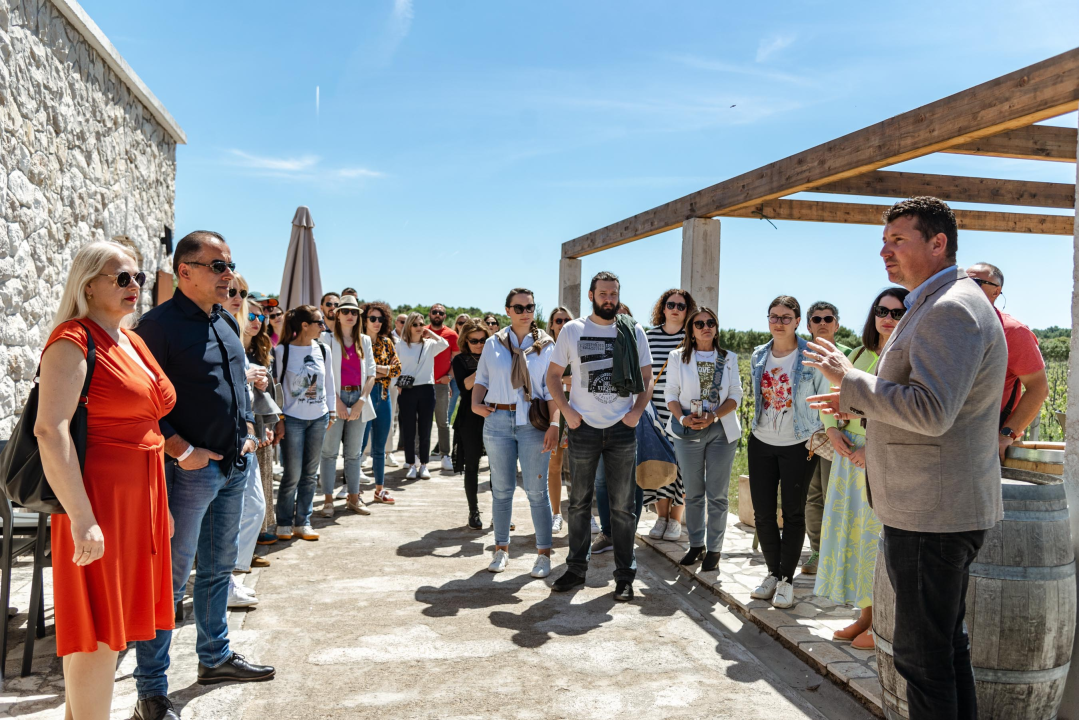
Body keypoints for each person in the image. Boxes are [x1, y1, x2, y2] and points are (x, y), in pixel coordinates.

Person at [805, 197, 1006, 719]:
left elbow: (932, 410)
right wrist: (855, 397)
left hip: (932, 515)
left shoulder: (950, 309)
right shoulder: (937, 301)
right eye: (884, 239)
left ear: (938, 244)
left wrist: (849, 381)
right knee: (943, 649)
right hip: (932, 509)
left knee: (922, 660)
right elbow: (925, 400)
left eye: (898, 239)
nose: (884, 251)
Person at [132, 231, 274, 720]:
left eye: (229, 265)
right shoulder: (156, 327)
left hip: (234, 464)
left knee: (218, 570)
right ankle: (151, 690)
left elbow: (236, 388)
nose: (227, 275)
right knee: (168, 583)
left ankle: (214, 658)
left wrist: (250, 431)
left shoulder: (224, 322)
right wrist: (181, 449)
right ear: (185, 271)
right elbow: (140, 404)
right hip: (188, 472)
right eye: (217, 266)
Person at [33, 242, 174, 719]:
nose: (135, 286)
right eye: (122, 278)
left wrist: (163, 509)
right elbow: (50, 431)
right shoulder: (72, 339)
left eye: (137, 278)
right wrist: (82, 518)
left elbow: (150, 425)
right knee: (94, 628)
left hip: (141, 496)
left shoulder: (130, 340)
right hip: (97, 501)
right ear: (88, 284)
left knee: (112, 628)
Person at [547, 271, 653, 602]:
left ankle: (624, 576)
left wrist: (636, 411)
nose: (609, 298)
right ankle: (577, 569)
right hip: (583, 429)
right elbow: (552, 376)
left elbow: (648, 377)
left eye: (614, 293)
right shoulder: (573, 330)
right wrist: (566, 411)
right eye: (603, 293)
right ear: (592, 295)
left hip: (622, 428)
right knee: (578, 504)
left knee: (623, 508)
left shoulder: (632, 330)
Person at [814, 288, 907, 650]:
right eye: (882, 310)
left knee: (876, 542)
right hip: (847, 460)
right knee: (855, 538)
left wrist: (871, 447)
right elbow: (830, 399)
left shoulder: (904, 358)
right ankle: (866, 617)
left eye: (897, 313)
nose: (888, 318)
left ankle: (885, 623)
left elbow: (899, 411)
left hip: (879, 459)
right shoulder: (856, 354)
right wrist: (833, 430)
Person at [746, 295, 829, 609]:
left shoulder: (811, 355)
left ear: (797, 321)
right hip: (761, 442)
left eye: (785, 317)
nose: (778, 322)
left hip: (799, 444)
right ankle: (771, 573)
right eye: (773, 316)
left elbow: (824, 397)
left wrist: (821, 432)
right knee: (764, 514)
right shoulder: (758, 355)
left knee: (793, 513)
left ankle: (786, 581)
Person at [472, 289, 559, 577]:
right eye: (519, 307)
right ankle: (501, 550)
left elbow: (552, 390)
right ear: (507, 310)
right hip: (497, 420)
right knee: (501, 490)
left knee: (536, 491)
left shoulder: (546, 345)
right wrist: (475, 402)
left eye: (530, 306)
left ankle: (544, 555)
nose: (525, 311)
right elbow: (482, 378)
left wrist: (555, 424)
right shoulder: (492, 344)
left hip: (532, 424)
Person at [664, 307, 742, 572]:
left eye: (711, 322)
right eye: (699, 324)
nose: (706, 327)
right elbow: (671, 394)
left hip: (721, 430)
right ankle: (697, 544)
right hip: (688, 429)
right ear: (691, 330)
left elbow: (735, 396)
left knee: (717, 494)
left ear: (716, 327)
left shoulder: (728, 358)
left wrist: (714, 417)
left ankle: (715, 549)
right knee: (694, 492)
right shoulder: (677, 357)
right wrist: (683, 418)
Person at [966, 262, 1049, 459]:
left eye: (974, 282)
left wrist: (1006, 435)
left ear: (996, 292)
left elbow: (1039, 388)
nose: (965, 288)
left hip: (988, 449)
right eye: (961, 282)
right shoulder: (949, 329)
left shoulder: (1013, 332)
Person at [273, 305, 335, 542]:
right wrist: (279, 419)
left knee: (310, 473)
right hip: (293, 419)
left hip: (319, 417)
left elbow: (330, 381)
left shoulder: (324, 349)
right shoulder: (282, 352)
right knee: (292, 474)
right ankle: (284, 522)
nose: (323, 327)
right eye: (319, 322)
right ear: (304, 326)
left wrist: (331, 411)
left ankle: (303, 522)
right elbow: (276, 389)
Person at [226, 276, 267, 609]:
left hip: (242, 436)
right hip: (216, 441)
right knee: (238, 512)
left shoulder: (233, 335)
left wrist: (253, 431)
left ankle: (230, 578)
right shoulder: (214, 331)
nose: (238, 298)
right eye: (232, 292)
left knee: (252, 508)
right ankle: (224, 582)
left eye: (241, 292)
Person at [801, 300, 851, 575]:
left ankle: (837, 554)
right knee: (813, 495)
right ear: (808, 325)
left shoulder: (849, 355)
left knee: (835, 495)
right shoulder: (799, 354)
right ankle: (817, 552)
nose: (822, 323)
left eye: (828, 318)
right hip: (804, 436)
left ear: (837, 324)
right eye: (816, 319)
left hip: (838, 435)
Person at [644, 288, 697, 542]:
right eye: (671, 304)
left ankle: (675, 520)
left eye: (681, 305)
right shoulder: (648, 336)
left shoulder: (692, 338)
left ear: (688, 310)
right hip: (655, 411)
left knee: (682, 468)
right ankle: (661, 517)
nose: (676, 309)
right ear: (662, 308)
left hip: (682, 411)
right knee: (659, 465)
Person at [319, 295, 376, 517]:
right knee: (329, 453)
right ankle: (328, 501)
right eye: (345, 311)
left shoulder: (365, 340)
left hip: (359, 398)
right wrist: (336, 401)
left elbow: (371, 373)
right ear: (337, 314)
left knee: (354, 454)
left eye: (353, 312)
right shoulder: (326, 340)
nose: (350, 315)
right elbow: (323, 375)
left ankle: (354, 498)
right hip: (335, 398)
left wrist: (362, 401)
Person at [245, 292, 284, 547]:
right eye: (251, 315)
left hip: (263, 426)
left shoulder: (262, 348)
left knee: (263, 479)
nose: (257, 320)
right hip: (241, 426)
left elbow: (271, 391)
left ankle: (257, 536)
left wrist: (275, 423)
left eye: (260, 316)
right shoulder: (230, 346)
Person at [396, 312, 449, 479]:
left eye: (421, 324)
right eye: (415, 325)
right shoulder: (400, 345)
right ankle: (411, 464)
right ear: (409, 326)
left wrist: (431, 333)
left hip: (426, 388)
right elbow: (395, 366)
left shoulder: (429, 344)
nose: (419, 328)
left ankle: (424, 464)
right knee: (409, 430)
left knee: (426, 428)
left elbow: (445, 344)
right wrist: (396, 384)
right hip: (407, 390)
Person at [361, 301, 402, 504]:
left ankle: (379, 490)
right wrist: (382, 369)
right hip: (364, 395)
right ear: (364, 320)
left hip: (384, 395)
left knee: (380, 446)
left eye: (381, 319)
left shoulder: (387, 342)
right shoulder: (358, 342)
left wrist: (376, 369)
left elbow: (397, 369)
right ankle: (352, 490)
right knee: (358, 446)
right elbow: (361, 370)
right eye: (372, 319)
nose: (377, 322)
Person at [453, 319, 491, 528]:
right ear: (465, 341)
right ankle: (473, 511)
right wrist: (485, 367)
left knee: (499, 467)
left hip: (494, 414)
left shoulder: (496, 357)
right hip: (470, 417)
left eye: (483, 340)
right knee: (472, 466)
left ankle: (500, 513)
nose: (479, 345)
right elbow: (465, 385)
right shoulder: (460, 360)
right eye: (474, 341)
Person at [545, 306, 574, 533]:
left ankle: (581, 514)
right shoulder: (545, 349)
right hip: (554, 411)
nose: (562, 323)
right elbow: (545, 379)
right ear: (552, 325)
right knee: (554, 465)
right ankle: (555, 514)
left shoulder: (578, 347)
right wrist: (565, 379)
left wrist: (561, 379)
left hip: (579, 410)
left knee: (580, 467)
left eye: (567, 319)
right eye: (558, 320)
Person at [426, 303, 459, 471]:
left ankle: (445, 455)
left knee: (443, 422)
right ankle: (419, 457)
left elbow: (457, 360)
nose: (437, 314)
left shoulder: (451, 335)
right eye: (435, 312)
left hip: (441, 384)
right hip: (423, 384)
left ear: (445, 316)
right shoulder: (422, 332)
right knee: (421, 422)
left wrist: (450, 377)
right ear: (430, 314)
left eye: (441, 312)